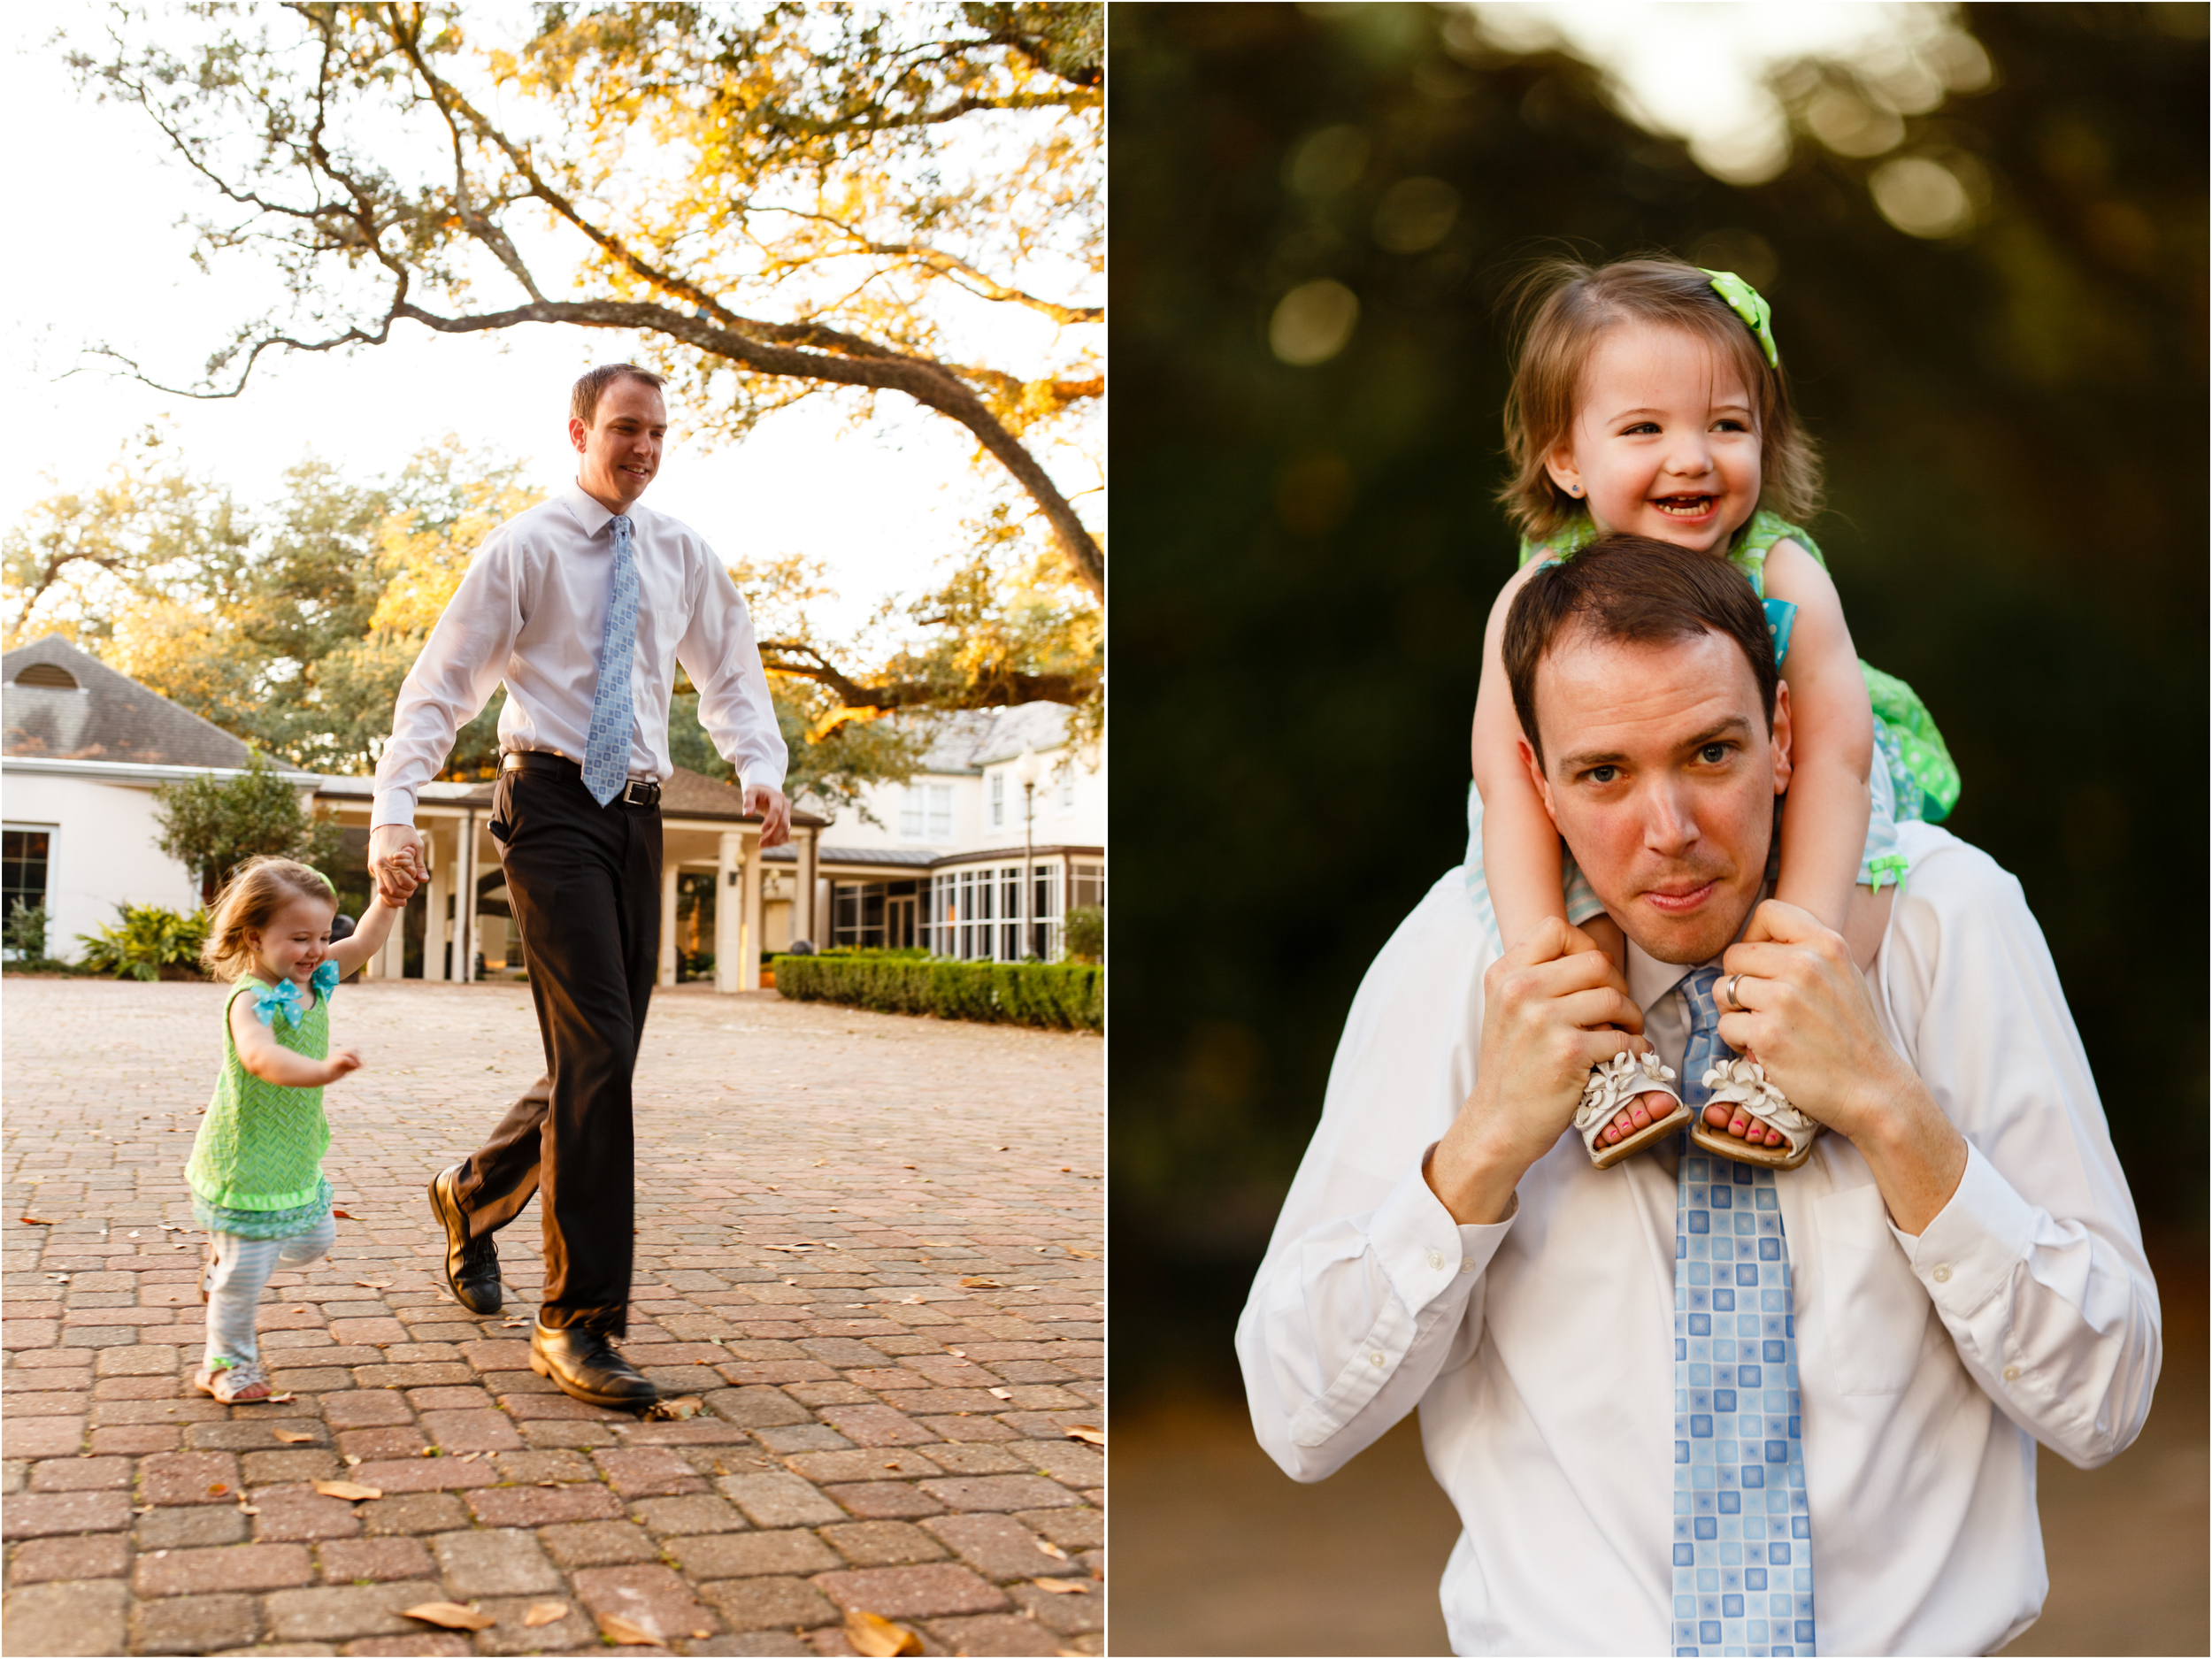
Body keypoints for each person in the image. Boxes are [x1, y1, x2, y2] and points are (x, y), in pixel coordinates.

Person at [1237, 535, 2160, 1656]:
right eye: (1604, 774)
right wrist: (1482, 1145)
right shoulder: (1455, 961)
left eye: (1710, 753)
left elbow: (2105, 1398)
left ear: (1781, 735)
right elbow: (1297, 1416)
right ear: (1535, 780)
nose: (1666, 830)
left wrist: (1888, 1107)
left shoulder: (1945, 921)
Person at [1466, 256, 1956, 1171]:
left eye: (1725, 425)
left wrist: (1800, 934)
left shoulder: (1779, 569)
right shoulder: (1536, 589)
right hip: (1601, 806)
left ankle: (1778, 1049)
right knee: (1575, 869)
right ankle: (1598, 1054)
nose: (1690, 456)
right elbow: (1506, 778)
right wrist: (1539, 959)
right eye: (1644, 427)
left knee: (1870, 882)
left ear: (1764, 440)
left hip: (1801, 772)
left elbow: (1837, 755)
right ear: (1566, 457)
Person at [369, 362, 789, 1409]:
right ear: (578, 431)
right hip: (548, 803)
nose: (643, 449)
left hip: (637, 814)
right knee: (599, 1047)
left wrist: (759, 765)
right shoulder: (524, 548)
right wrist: (393, 810)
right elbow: (440, 686)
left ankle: (472, 1193)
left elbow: (730, 665)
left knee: (602, 1053)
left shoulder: (682, 553)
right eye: (625, 430)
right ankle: (579, 1322)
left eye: (657, 433)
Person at [186, 856, 414, 1403]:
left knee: (315, 1240)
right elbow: (263, 1059)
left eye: (320, 935)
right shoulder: (252, 1000)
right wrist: (323, 1071)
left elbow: (361, 944)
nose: (315, 950)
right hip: (247, 1160)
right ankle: (226, 1366)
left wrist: (388, 900)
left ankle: (228, 1259)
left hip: (293, 1154)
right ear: (254, 936)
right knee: (246, 1279)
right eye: (298, 938)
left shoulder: (314, 975)